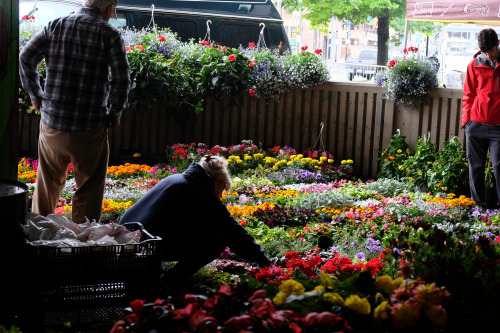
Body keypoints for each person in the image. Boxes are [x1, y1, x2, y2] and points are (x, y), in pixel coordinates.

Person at [19, 0, 131, 223]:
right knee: (89, 190)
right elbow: (122, 79)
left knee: (47, 186)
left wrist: (37, 97)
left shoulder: (55, 26)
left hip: (52, 124)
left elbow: (25, 58)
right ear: (108, 9)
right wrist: (114, 113)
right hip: (89, 129)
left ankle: (41, 242)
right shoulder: (109, 34)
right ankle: (80, 247)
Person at [119, 155, 271, 285]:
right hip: (140, 245)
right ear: (219, 183)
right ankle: (167, 283)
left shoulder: (177, 179)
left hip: (126, 236)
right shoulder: (201, 192)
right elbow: (232, 230)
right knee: (216, 240)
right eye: (223, 190)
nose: (220, 196)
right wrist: (263, 261)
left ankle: (158, 275)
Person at [463, 28, 500, 208]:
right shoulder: (474, 65)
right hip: (476, 124)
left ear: (497, 44)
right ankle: (478, 205)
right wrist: (467, 122)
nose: (488, 55)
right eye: (485, 51)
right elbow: (468, 95)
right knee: (476, 166)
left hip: (498, 127)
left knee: (499, 167)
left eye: (491, 50)